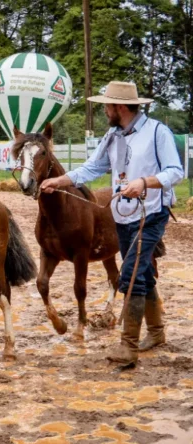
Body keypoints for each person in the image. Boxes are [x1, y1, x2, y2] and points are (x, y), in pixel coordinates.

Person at [40, 81, 184, 366]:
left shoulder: (158, 132)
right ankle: (156, 333)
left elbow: (175, 171)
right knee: (141, 271)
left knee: (130, 274)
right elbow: (92, 167)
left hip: (151, 212)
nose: (104, 110)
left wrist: (145, 182)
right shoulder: (112, 136)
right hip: (123, 214)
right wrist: (60, 180)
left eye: (106, 105)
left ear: (119, 107)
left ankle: (128, 346)